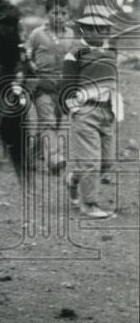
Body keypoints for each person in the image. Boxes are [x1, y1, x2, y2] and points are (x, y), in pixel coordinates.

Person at [63, 12, 118, 219]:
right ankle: (89, 204)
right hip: (86, 111)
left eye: (106, 29)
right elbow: (66, 86)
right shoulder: (74, 54)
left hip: (108, 111)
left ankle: (74, 179)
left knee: (106, 162)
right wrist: (76, 110)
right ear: (84, 30)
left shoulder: (111, 51)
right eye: (98, 28)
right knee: (91, 163)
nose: (103, 32)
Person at [26, 0, 77, 173]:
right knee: (47, 121)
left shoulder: (71, 35)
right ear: (47, 14)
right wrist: (30, 67)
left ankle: (32, 158)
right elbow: (27, 55)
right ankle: (55, 158)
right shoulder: (37, 34)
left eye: (64, 13)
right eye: (55, 13)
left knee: (53, 124)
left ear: (69, 15)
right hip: (41, 85)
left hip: (61, 87)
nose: (59, 17)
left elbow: (74, 60)